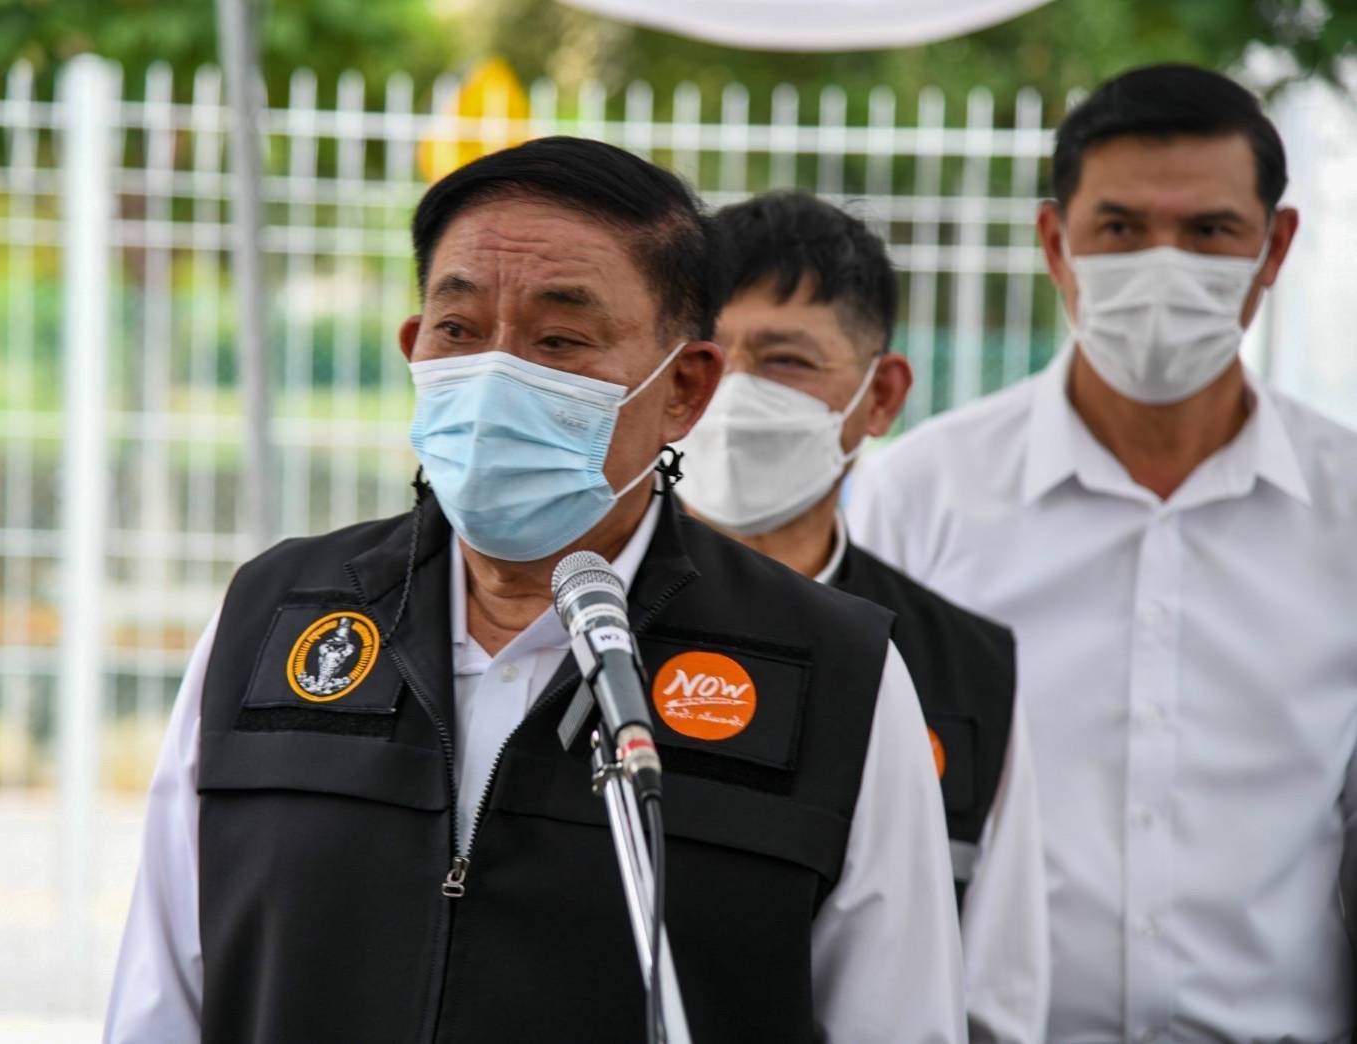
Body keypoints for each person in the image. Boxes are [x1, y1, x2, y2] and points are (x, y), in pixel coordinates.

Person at [105, 136, 966, 1042]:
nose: (497, 375)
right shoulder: (276, 623)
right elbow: (162, 998)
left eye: (560, 340)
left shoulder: (834, 675)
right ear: (416, 352)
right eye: (460, 331)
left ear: (683, 388)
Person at [848, 64, 1357, 1041]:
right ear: (1055, 241)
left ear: (1275, 246)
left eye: (1210, 231)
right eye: (1120, 229)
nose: (1164, 266)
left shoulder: (1344, 510)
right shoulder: (917, 500)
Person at [676, 191, 1048, 1042]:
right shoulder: (577, 618)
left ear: (880, 397)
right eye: (706, 356)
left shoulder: (958, 671)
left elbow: (991, 999)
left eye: (785, 362)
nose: (732, 395)